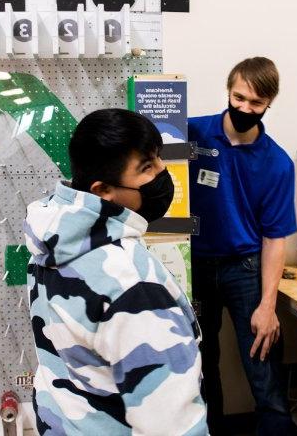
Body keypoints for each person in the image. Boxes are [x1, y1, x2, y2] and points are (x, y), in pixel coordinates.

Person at [24, 108, 208, 435]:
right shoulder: (132, 281)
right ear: (103, 191)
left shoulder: (50, 242)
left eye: (158, 159)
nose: (164, 174)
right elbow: (172, 424)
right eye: (147, 168)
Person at [189, 57, 297, 436]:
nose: (245, 108)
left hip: (245, 269)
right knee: (199, 364)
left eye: (256, 103)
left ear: (269, 103)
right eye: (239, 97)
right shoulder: (191, 134)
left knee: (263, 363)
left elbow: (274, 238)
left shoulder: (278, 163)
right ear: (228, 90)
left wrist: (268, 306)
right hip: (193, 267)